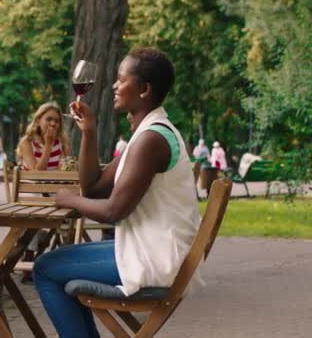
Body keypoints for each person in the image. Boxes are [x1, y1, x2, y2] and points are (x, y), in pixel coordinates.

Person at [33, 48, 202, 337]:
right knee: (56, 263)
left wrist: (67, 199)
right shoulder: (146, 134)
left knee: (46, 268)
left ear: (144, 89)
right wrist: (89, 131)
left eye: (121, 79)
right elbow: (95, 187)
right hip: (148, 250)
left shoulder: (151, 139)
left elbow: (113, 211)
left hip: (153, 259)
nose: (114, 85)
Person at [16, 101, 71, 282]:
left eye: (57, 121)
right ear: (38, 120)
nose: (53, 124)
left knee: (69, 206)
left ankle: (56, 252)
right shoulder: (27, 142)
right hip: (32, 191)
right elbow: (36, 174)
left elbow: (68, 167)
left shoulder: (62, 141)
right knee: (34, 213)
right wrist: (47, 146)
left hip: (54, 191)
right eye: (49, 119)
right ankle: (31, 255)